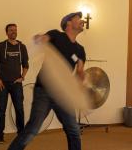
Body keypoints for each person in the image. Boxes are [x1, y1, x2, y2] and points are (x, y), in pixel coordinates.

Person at [7, 12, 86, 150]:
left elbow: (80, 71)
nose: (82, 20)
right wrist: (39, 39)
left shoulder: (80, 50)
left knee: (73, 130)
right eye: (78, 18)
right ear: (68, 23)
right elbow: (43, 39)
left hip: (62, 94)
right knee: (32, 129)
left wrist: (81, 80)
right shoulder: (56, 35)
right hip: (44, 90)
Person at [0, 23, 29, 143]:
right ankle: (0, 135)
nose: (13, 32)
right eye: (11, 30)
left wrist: (22, 77)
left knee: (19, 109)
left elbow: (26, 65)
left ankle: (21, 134)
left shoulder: (22, 47)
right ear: (6, 32)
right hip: (2, 84)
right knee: (1, 110)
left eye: (15, 30)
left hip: (16, 84)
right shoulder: (0, 46)